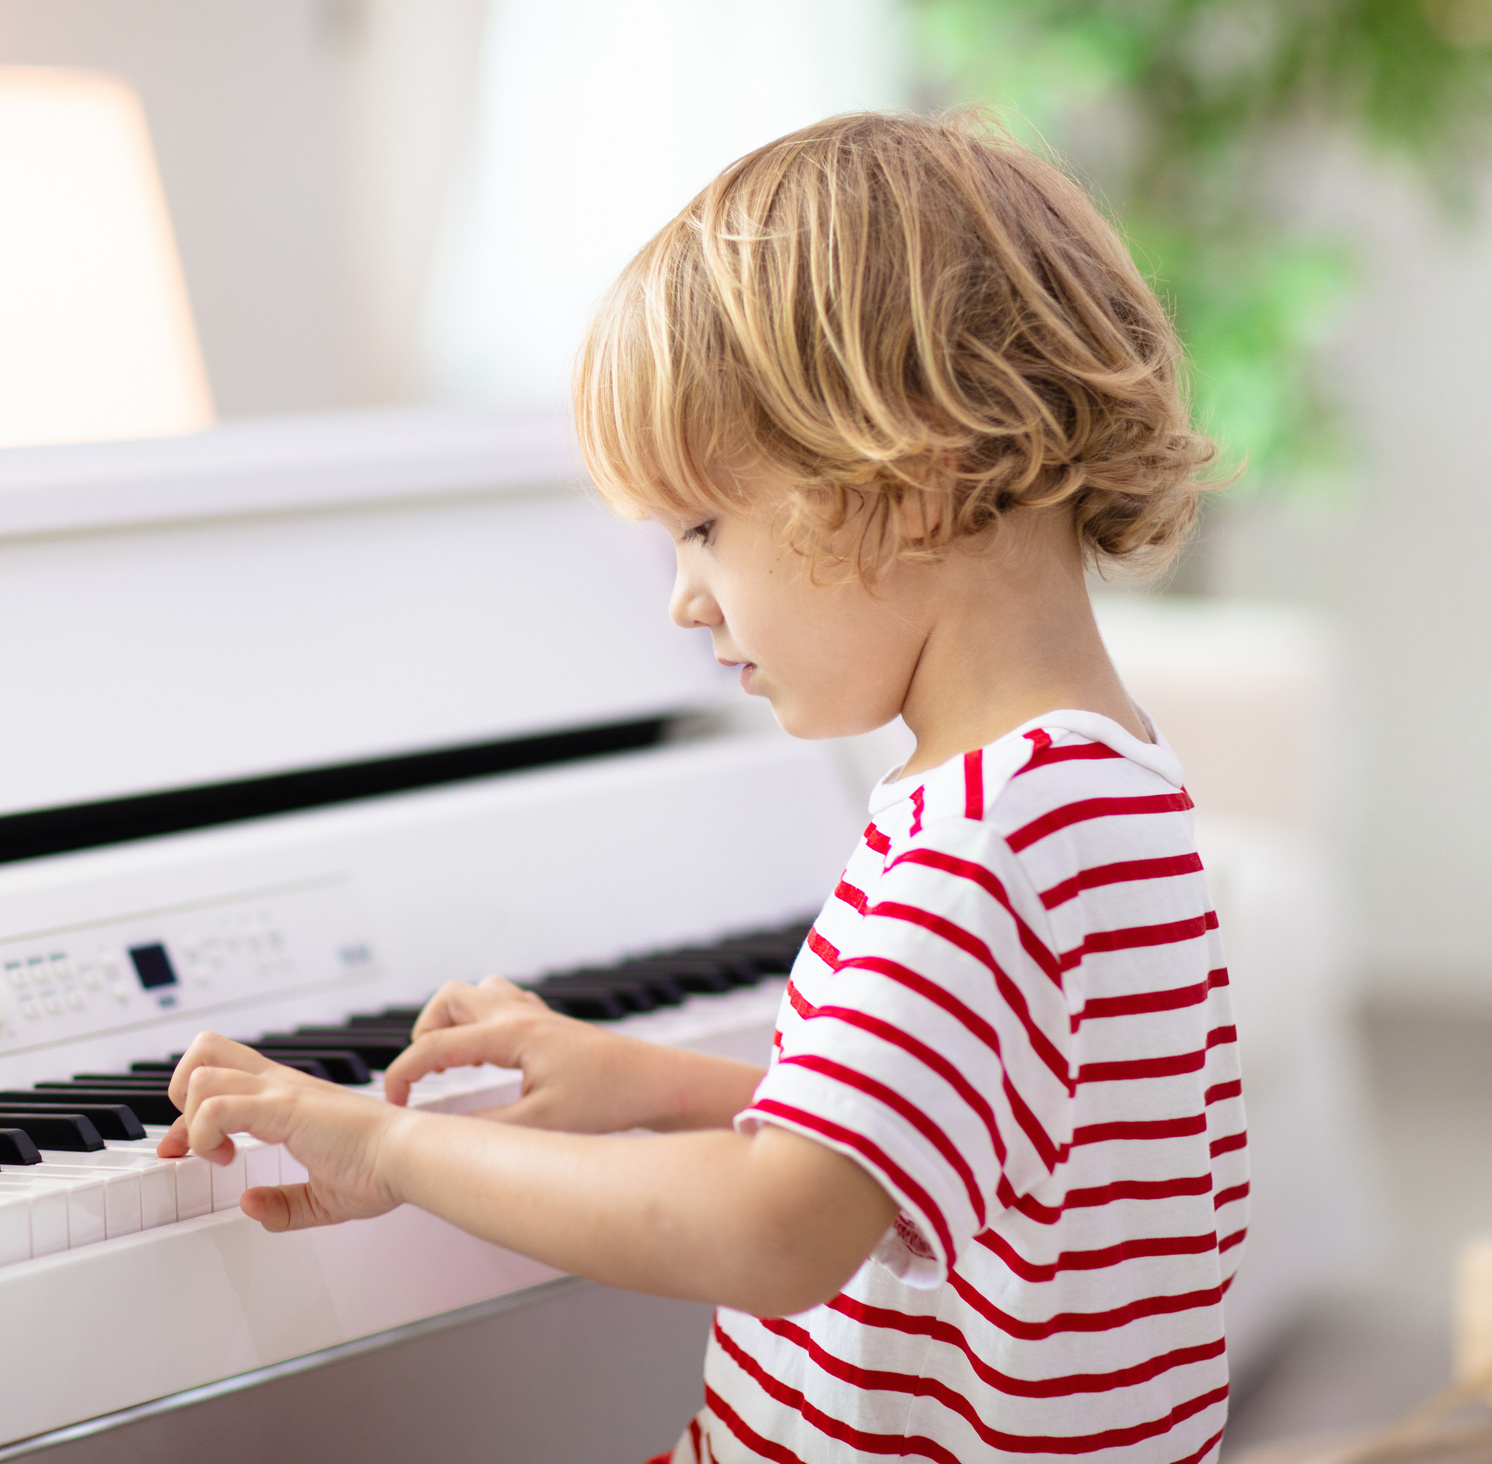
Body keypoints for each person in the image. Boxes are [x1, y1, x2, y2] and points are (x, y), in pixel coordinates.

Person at [155, 110, 1246, 1463]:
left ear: (912, 467)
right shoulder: (1101, 780)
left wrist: (385, 1150)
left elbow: (774, 1227)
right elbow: (944, 1145)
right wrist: (652, 1085)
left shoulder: (982, 836)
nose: (682, 599)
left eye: (704, 527)